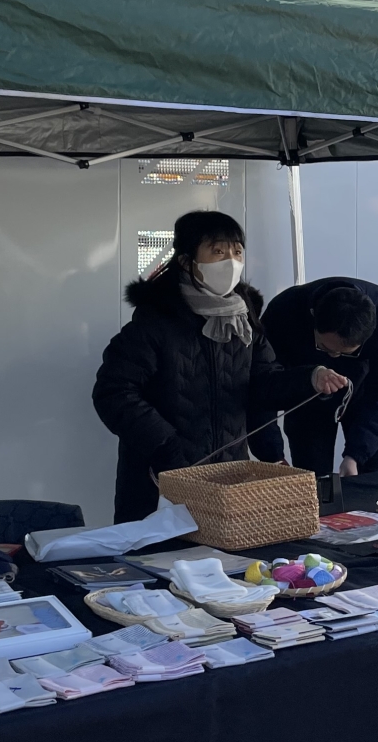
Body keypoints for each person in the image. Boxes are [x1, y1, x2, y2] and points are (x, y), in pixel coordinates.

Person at [92, 211, 347, 522]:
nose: (231, 261)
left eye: (237, 251)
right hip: (157, 480)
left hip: (226, 481)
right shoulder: (154, 323)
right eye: (217, 251)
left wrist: (310, 378)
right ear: (187, 262)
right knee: (162, 550)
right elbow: (114, 392)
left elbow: (263, 385)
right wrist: (166, 445)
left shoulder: (244, 321)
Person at [253, 277, 378, 476]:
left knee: (372, 480)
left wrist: (355, 455)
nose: (334, 357)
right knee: (315, 482)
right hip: (306, 395)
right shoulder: (285, 310)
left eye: (347, 353)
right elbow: (262, 387)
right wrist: (272, 456)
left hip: (365, 398)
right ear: (313, 318)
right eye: (324, 348)